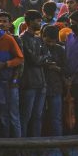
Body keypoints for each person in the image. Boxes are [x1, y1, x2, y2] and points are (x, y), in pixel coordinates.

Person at [18, 9, 50, 137]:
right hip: (29, 83)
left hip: (41, 83)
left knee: (38, 116)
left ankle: (36, 141)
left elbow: (46, 55)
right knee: (26, 115)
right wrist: (43, 59)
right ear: (30, 22)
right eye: (38, 20)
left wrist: (42, 59)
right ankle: (24, 142)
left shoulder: (38, 39)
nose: (40, 23)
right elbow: (34, 60)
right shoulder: (22, 39)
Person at [41, 24, 66, 136]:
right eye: (48, 41)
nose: (50, 44)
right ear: (43, 37)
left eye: (53, 41)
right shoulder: (39, 47)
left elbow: (67, 68)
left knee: (56, 118)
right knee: (39, 117)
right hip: (40, 87)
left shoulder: (60, 49)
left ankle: (58, 142)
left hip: (56, 87)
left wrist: (56, 68)